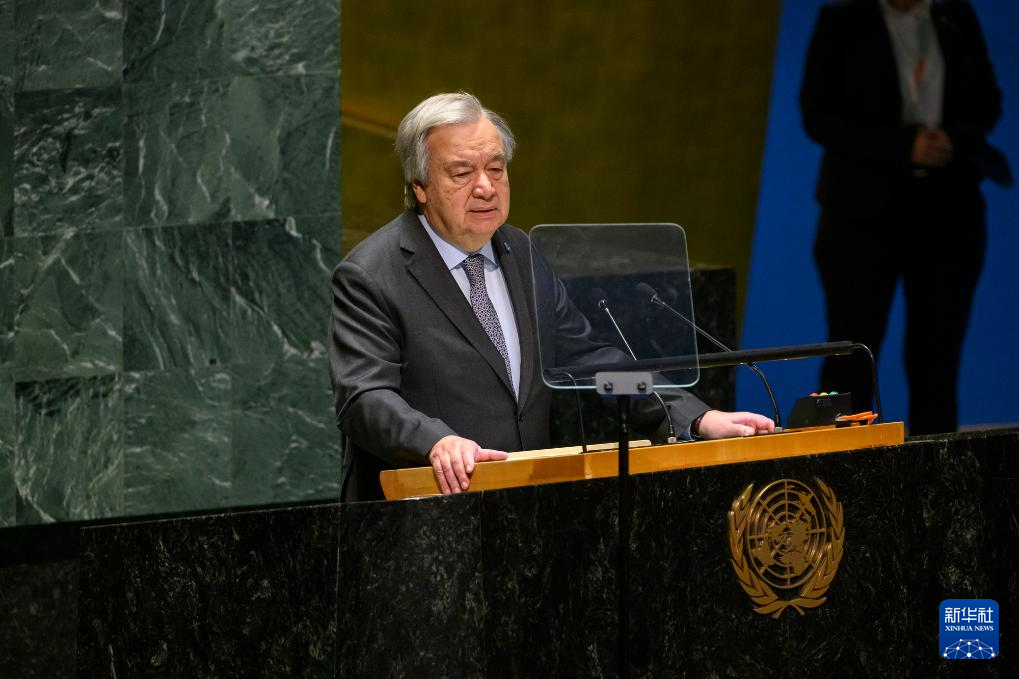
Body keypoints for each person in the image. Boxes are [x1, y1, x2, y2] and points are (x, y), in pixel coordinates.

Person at [329, 92, 774, 501]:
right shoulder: (371, 274)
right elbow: (364, 398)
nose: (485, 187)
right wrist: (435, 441)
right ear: (420, 186)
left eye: (496, 169)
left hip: (527, 506)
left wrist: (692, 416)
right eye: (462, 173)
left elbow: (590, 362)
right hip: (422, 515)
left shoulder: (520, 251)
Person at [800, 0, 1010, 435]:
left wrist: (951, 138)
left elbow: (988, 99)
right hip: (860, 215)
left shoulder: (956, 15)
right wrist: (903, 146)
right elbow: (818, 115)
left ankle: (937, 472)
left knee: (938, 359)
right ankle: (838, 467)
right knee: (851, 355)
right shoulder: (843, 18)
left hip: (947, 212)